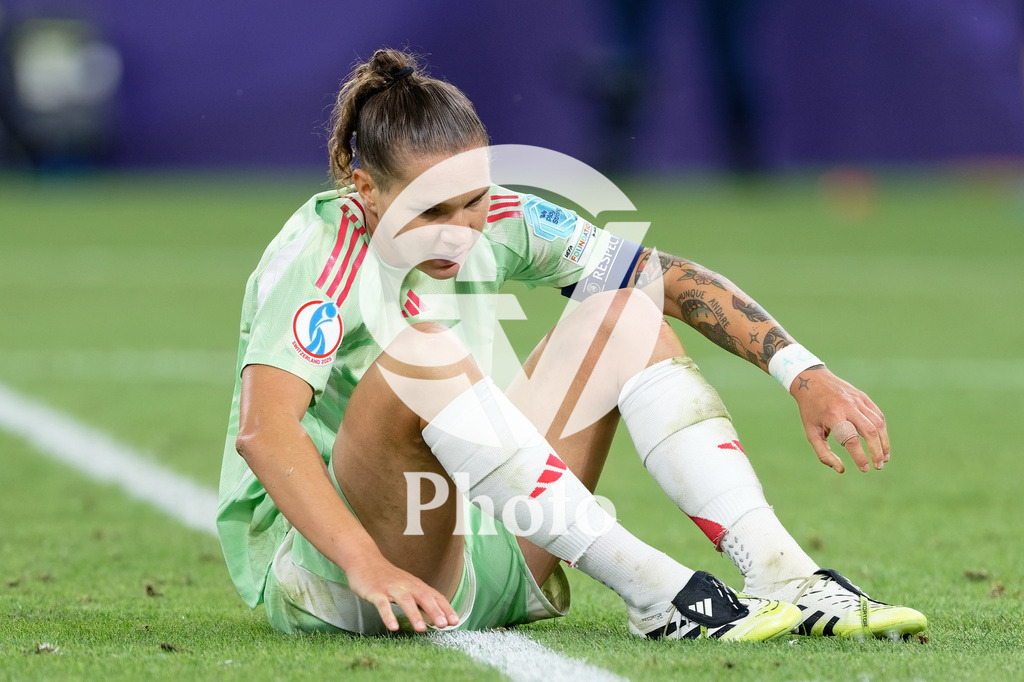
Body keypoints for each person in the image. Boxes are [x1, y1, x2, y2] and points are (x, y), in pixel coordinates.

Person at [216, 48, 926, 641]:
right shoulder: (323, 247)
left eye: (472, 200)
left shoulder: (498, 216)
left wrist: (802, 373)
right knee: (425, 356)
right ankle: (659, 593)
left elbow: (671, 282)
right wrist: (364, 565)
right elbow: (264, 430)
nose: (462, 229)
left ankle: (783, 572)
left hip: (488, 553)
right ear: (364, 189)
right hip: (347, 578)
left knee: (624, 310)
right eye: (430, 209)